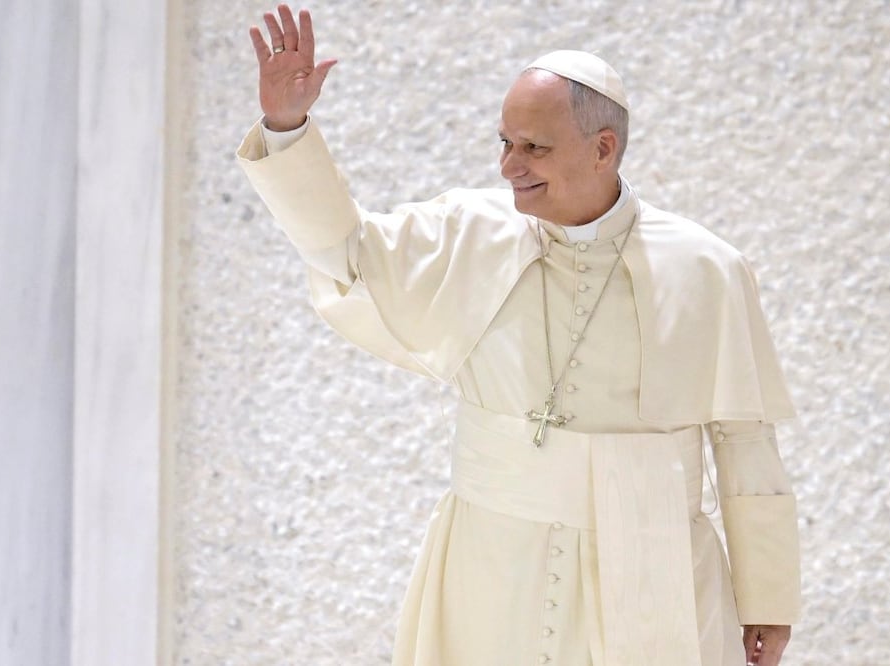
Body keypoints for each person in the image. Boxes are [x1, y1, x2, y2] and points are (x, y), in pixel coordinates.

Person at [239, 5, 801, 665]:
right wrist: (288, 126)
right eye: (503, 142)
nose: (510, 166)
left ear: (602, 149)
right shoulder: (469, 231)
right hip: (492, 560)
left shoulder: (706, 267)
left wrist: (766, 596)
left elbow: (744, 441)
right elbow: (345, 252)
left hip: (655, 561)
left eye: (533, 147)